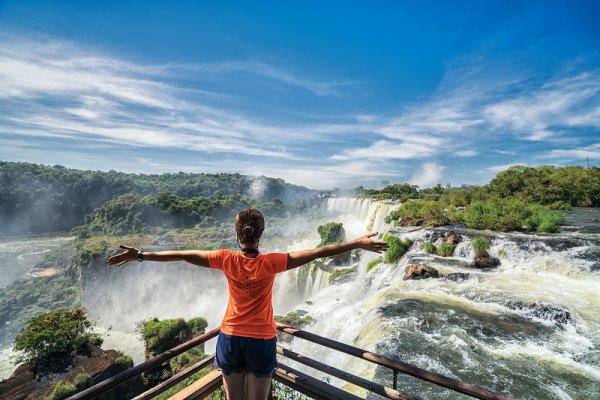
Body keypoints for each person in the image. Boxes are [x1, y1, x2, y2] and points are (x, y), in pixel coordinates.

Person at [107, 208, 388, 400]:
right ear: (260, 235)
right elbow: (317, 253)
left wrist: (141, 255)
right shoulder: (272, 262)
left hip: (229, 337)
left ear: (237, 235)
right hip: (261, 339)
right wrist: (354, 244)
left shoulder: (225, 258)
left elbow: (182, 255)